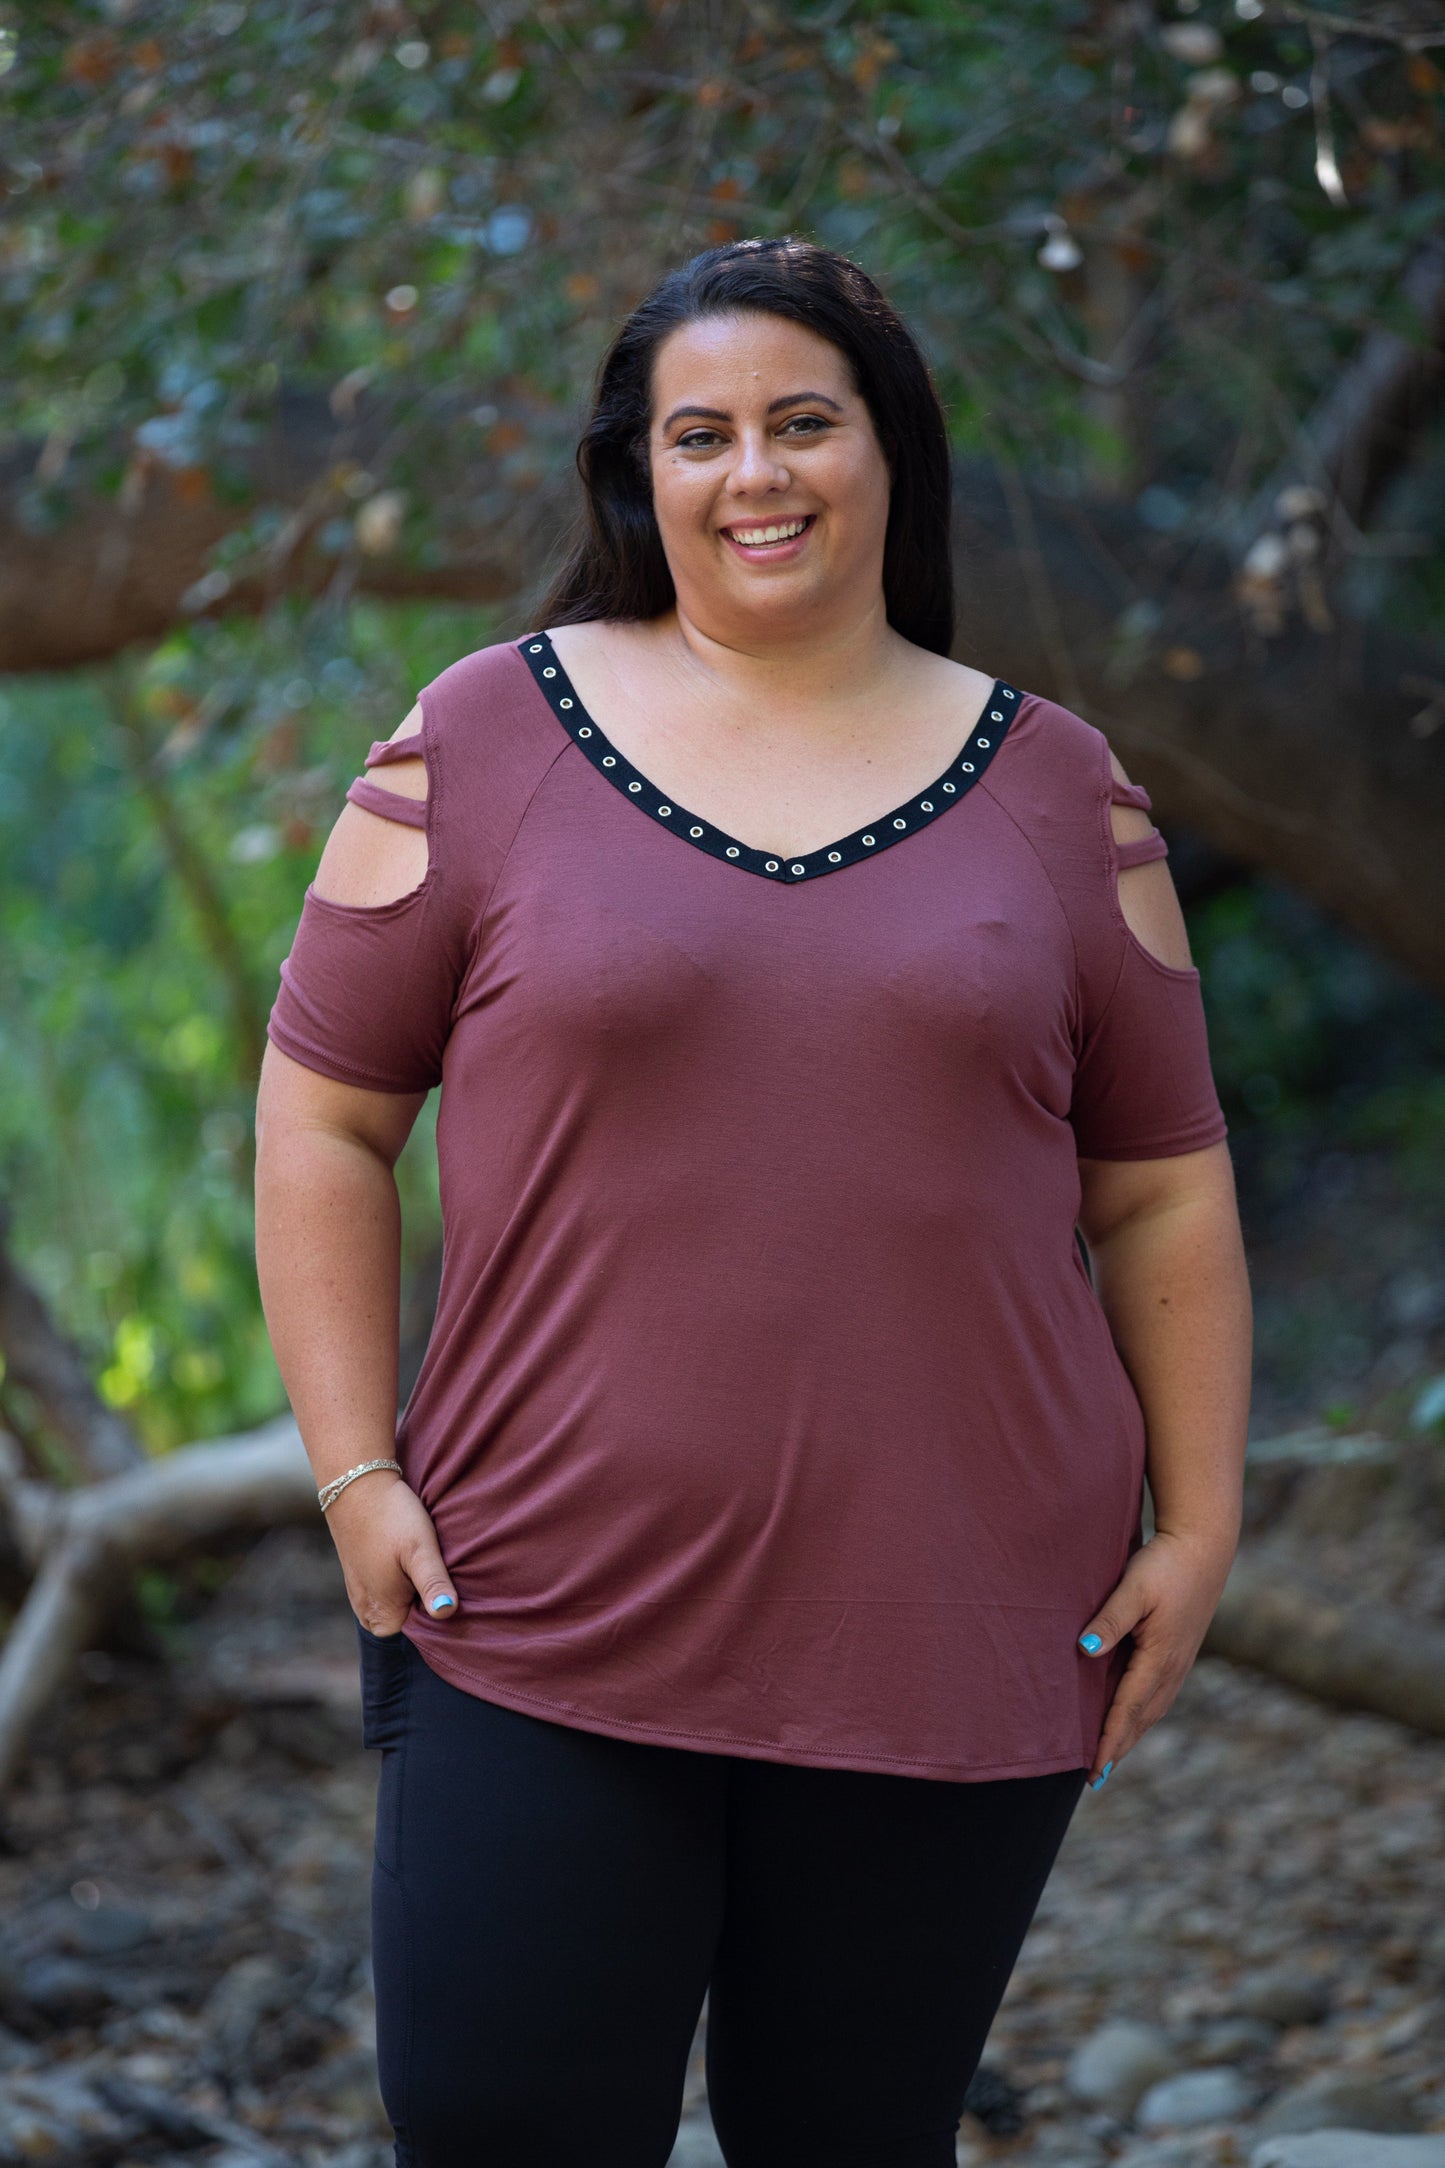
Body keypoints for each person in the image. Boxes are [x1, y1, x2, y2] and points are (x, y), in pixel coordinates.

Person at [254, 236, 1252, 2168]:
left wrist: (1201, 1526)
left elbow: (1161, 1191)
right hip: (535, 1595)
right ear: (642, 475)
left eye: (805, 422)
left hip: (961, 1612)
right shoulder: (478, 740)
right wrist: (353, 1470)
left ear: (893, 454)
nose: (755, 474)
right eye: (698, 434)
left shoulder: (1065, 793)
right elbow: (321, 1119)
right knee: (496, 2127)